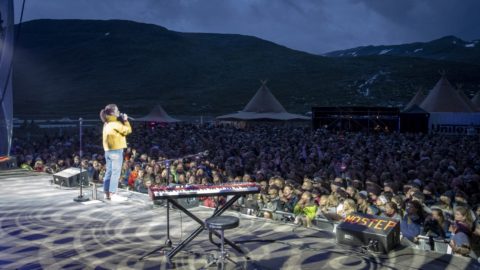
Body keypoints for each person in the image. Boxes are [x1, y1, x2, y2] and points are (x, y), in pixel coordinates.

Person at [100, 104, 132, 200]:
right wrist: (125, 120)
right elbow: (128, 130)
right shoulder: (115, 124)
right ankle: (113, 194)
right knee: (115, 172)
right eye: (117, 110)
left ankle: (106, 193)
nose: (119, 112)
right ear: (113, 113)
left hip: (108, 151)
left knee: (109, 171)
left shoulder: (106, 123)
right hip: (116, 151)